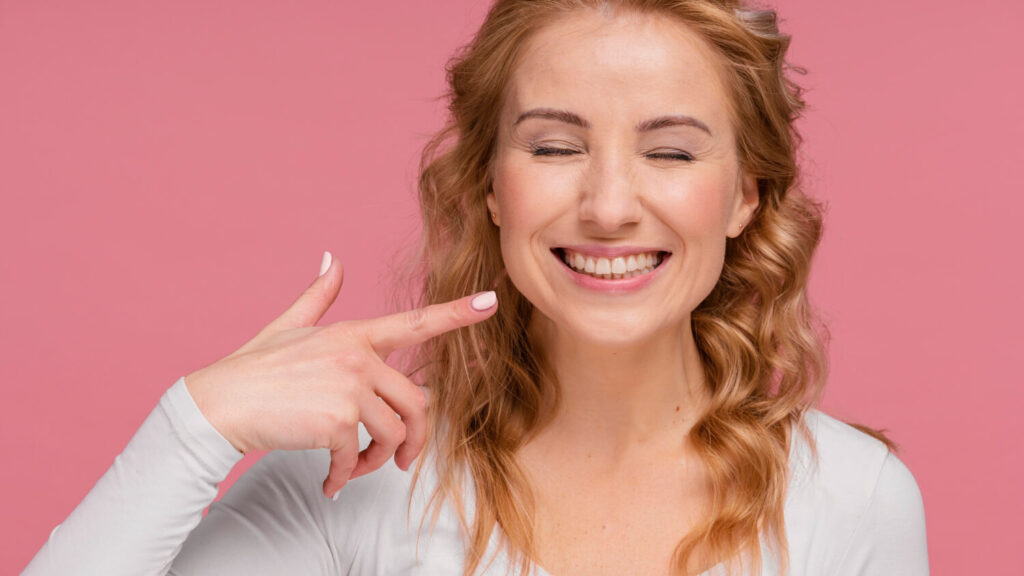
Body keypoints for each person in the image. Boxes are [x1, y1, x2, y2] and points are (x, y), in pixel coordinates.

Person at [23, 0, 929, 575]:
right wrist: (198, 422)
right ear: (492, 186)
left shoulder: (852, 498)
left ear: (743, 196)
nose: (610, 205)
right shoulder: (356, 484)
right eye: (554, 146)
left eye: (670, 151)